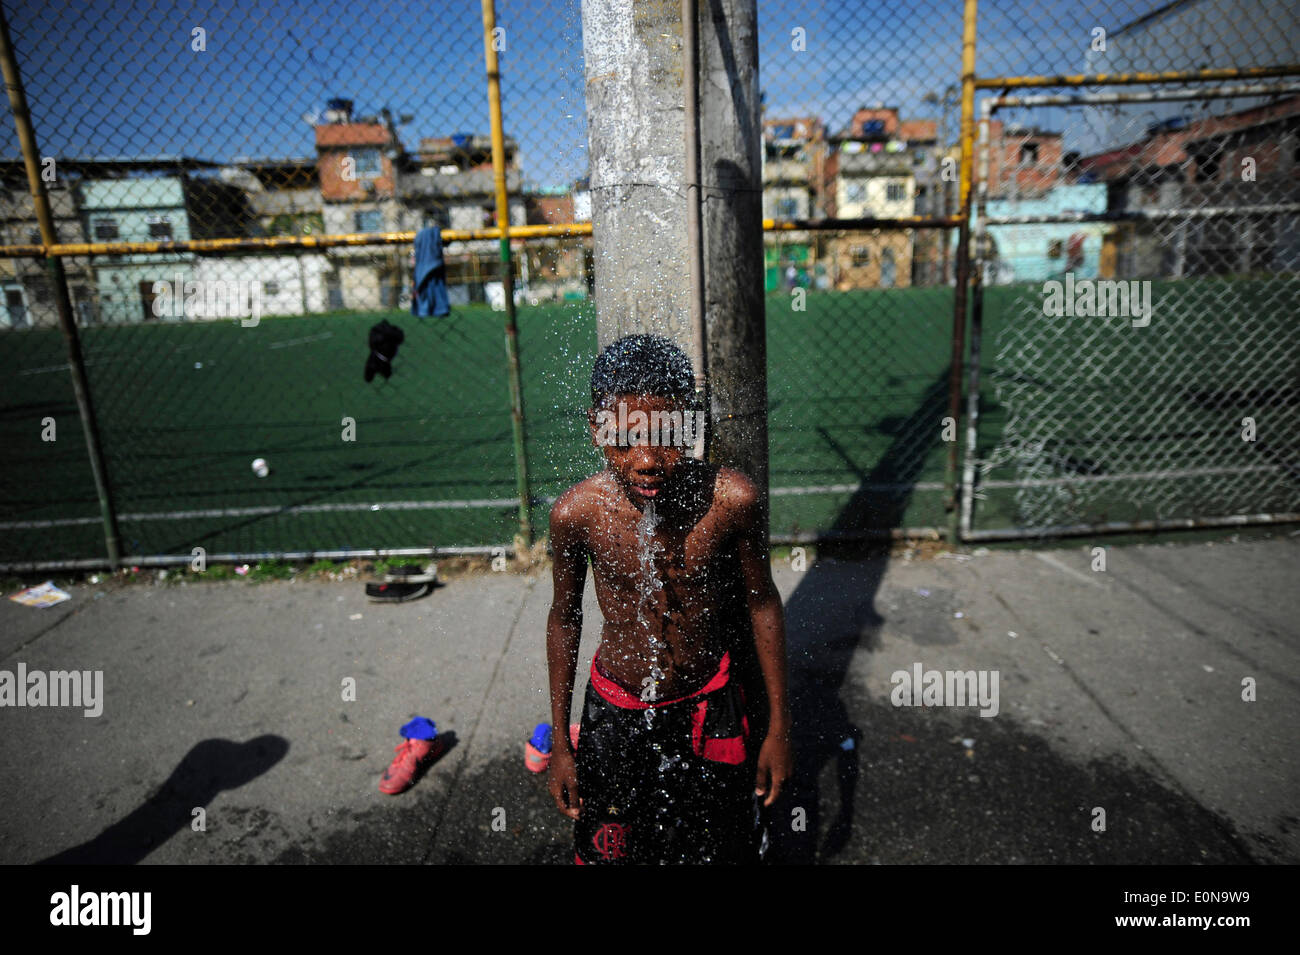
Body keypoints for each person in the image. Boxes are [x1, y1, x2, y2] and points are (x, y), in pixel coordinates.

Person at [545, 333, 793, 864]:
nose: (647, 460)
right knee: (615, 850)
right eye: (625, 439)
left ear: (691, 424)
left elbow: (762, 604)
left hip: (710, 703)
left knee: (719, 849)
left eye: (666, 435)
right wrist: (562, 745)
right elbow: (564, 618)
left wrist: (778, 726)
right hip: (616, 709)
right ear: (596, 428)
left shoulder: (731, 501)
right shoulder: (576, 515)